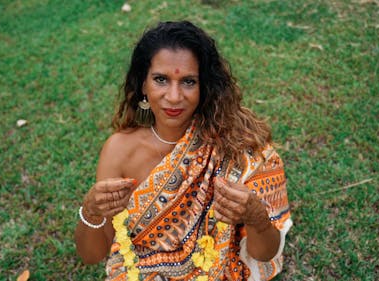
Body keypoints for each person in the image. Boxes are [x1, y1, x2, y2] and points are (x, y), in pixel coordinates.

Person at [75, 21, 292, 281]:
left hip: (220, 271)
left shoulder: (238, 148)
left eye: (188, 81)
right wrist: (90, 212)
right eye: (161, 80)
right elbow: (92, 256)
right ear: (143, 85)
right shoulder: (119, 150)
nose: (175, 96)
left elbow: (263, 253)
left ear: (205, 87)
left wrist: (256, 217)